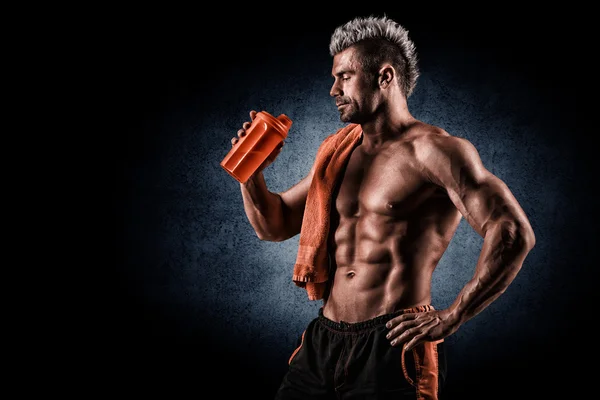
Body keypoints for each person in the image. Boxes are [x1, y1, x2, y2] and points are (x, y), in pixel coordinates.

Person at [230, 15, 536, 400]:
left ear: (385, 76)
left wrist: (454, 314)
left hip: (394, 344)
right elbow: (273, 225)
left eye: (344, 76)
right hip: (323, 341)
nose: (333, 89)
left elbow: (512, 232)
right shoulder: (338, 153)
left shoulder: (435, 151)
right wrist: (250, 173)